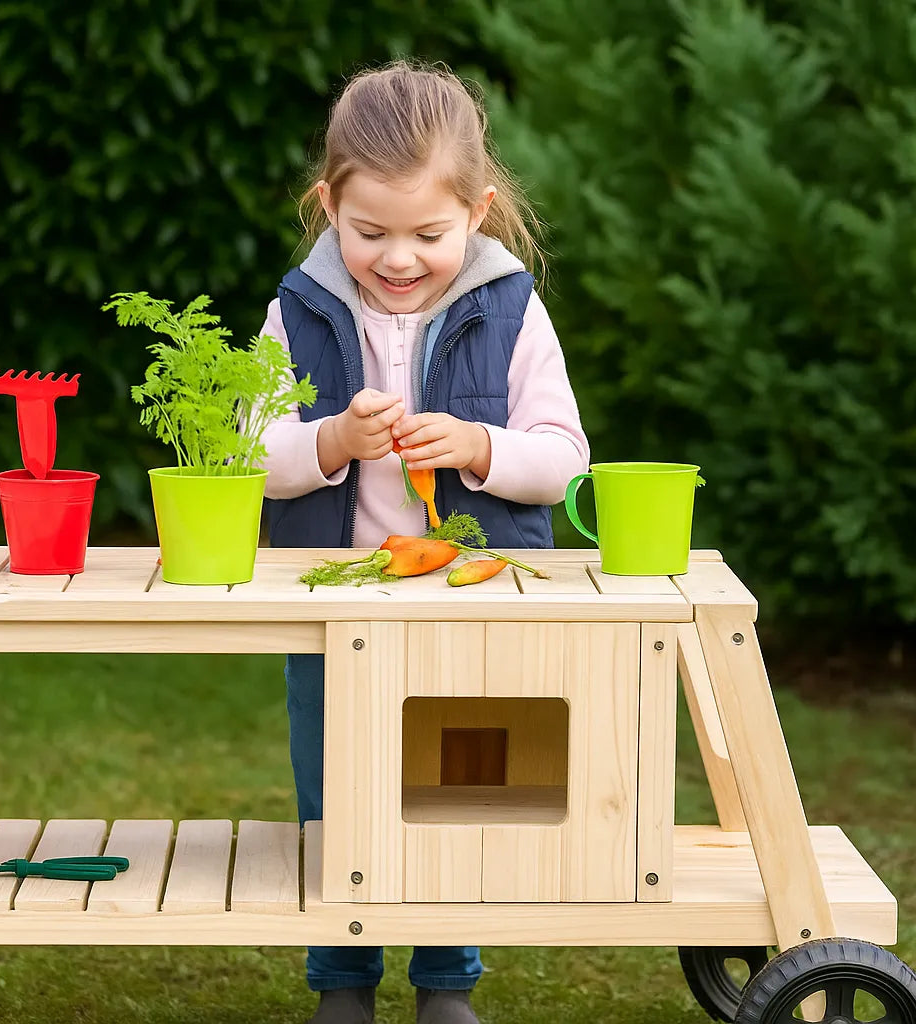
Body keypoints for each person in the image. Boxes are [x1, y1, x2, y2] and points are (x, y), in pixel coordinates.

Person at [257, 59, 590, 1024]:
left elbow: (567, 463)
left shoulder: (513, 312)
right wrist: (328, 443)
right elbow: (248, 453)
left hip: (467, 596)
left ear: (479, 211)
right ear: (329, 208)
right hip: (335, 597)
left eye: (428, 234)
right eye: (369, 234)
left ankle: (447, 981)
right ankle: (343, 982)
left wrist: (483, 447)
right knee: (335, 786)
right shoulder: (299, 311)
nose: (398, 258)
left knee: (455, 784)